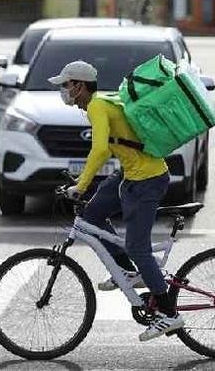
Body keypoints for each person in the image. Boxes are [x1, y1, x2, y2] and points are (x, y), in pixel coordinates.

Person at [47, 60, 183, 341]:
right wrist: (82, 183)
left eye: (65, 84)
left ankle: (169, 314)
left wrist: (82, 185)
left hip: (146, 180)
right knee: (91, 216)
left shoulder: (97, 106)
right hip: (129, 174)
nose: (63, 90)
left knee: (137, 246)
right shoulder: (101, 101)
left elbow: (98, 150)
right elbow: (113, 148)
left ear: (79, 86)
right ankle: (127, 271)